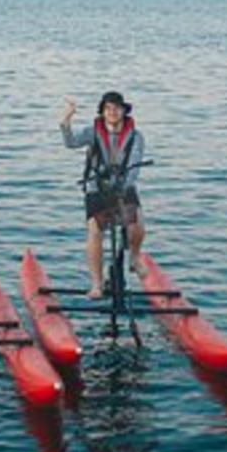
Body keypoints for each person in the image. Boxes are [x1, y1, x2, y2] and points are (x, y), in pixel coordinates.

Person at [61, 90, 145, 297]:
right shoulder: (93, 131)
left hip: (124, 187)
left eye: (116, 108)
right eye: (108, 108)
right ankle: (97, 284)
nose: (113, 112)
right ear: (102, 112)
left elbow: (134, 167)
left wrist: (123, 186)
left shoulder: (136, 136)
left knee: (137, 224)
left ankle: (134, 257)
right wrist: (66, 119)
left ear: (124, 111)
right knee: (95, 232)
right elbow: (70, 142)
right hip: (96, 187)